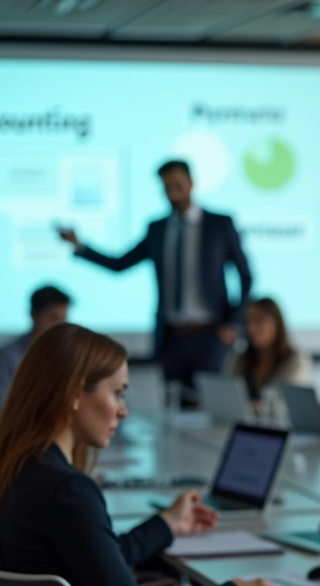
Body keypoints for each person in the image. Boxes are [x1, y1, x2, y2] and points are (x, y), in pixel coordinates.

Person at [0, 323, 279, 586]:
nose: (123, 410)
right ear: (75, 393)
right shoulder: (68, 490)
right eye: (117, 393)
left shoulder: (16, 468)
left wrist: (166, 524)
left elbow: (94, 558)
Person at [59, 159, 253, 409]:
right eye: (166, 187)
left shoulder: (220, 224)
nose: (172, 192)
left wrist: (234, 322)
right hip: (172, 337)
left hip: (210, 335)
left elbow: (246, 276)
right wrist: (79, 246)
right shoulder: (158, 229)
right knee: (175, 408)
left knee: (213, 409)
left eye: (177, 185)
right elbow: (119, 264)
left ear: (191, 183)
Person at [0, 285, 72, 419]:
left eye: (63, 319)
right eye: (53, 318)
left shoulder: (70, 356)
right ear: (34, 314)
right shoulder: (6, 356)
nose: (59, 326)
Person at [226, 297, 312, 419]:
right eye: (249, 320)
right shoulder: (240, 358)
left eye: (259, 320)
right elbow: (227, 394)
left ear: (277, 324)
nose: (251, 327)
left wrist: (251, 407)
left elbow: (286, 405)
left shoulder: (296, 360)